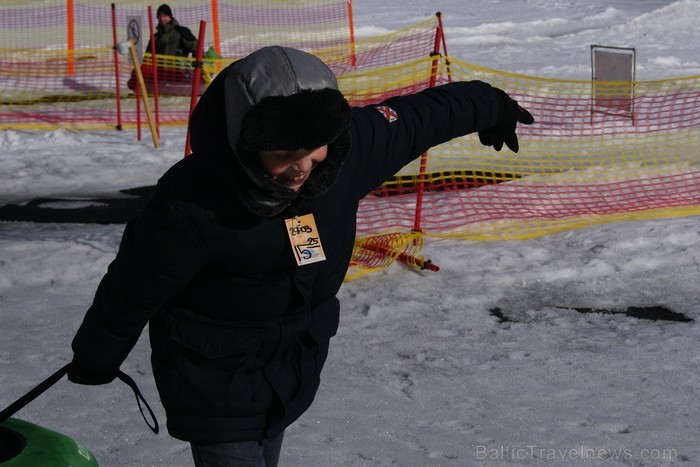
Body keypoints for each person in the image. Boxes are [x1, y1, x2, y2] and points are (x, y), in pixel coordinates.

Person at [67, 45, 533, 466]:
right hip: (214, 383)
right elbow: (131, 288)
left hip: (291, 369)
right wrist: (96, 357)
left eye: (312, 151)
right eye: (285, 153)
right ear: (243, 141)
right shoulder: (190, 205)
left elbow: (420, 117)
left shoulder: (346, 151)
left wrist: (491, 105)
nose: (302, 168)